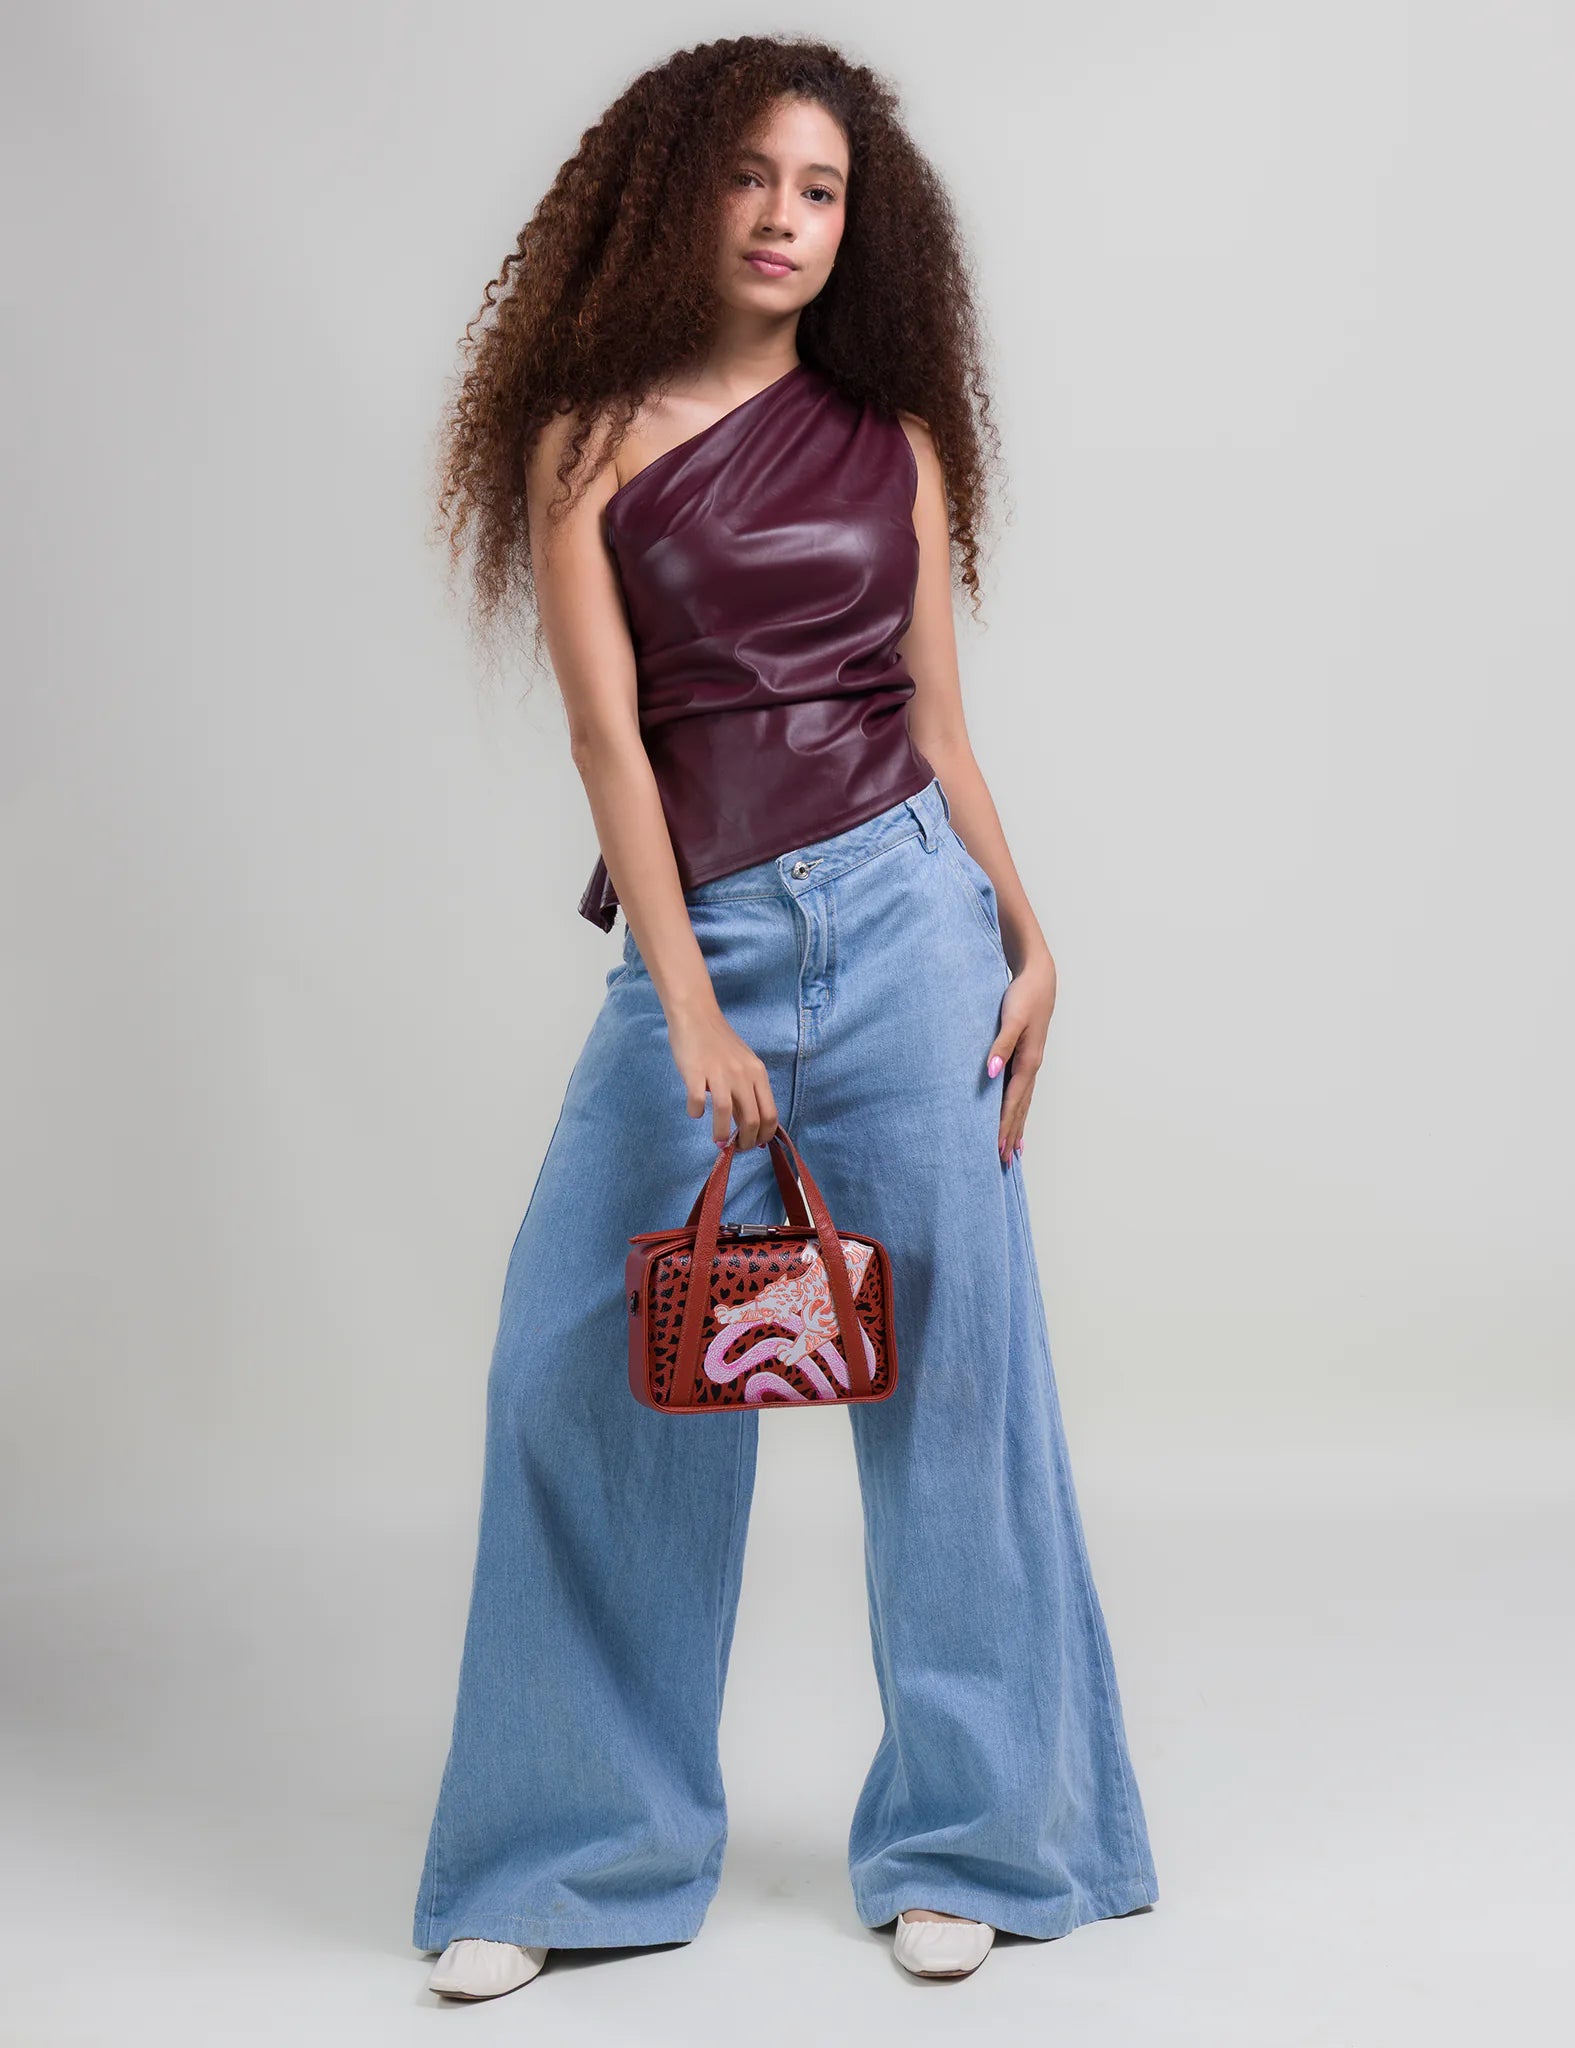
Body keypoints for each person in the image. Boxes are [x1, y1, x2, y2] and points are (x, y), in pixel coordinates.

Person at [412, 33, 1160, 1999]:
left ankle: (976, 1834)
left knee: (955, 1374)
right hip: (714, 939)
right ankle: (570, 1850)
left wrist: (1026, 927)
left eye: (818, 189)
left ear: (856, 221)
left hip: (913, 922)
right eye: (750, 177)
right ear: (681, 194)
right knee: (581, 1363)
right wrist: (683, 997)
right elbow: (606, 739)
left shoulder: (892, 441)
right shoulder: (581, 439)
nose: (781, 218)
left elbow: (931, 723)